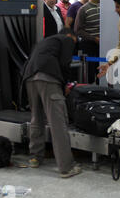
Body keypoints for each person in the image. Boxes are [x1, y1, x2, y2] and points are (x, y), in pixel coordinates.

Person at [22, 28, 82, 178]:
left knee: (36, 118)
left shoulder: (45, 42)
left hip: (29, 78)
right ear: (70, 36)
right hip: (48, 78)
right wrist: (64, 86)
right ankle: (66, 167)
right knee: (58, 122)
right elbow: (65, 63)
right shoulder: (67, 39)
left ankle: (35, 157)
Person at [74, 0, 101, 84]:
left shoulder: (103, 8)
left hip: (101, 47)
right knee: (89, 75)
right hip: (89, 46)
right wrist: (94, 38)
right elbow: (77, 30)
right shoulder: (83, 9)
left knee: (101, 73)